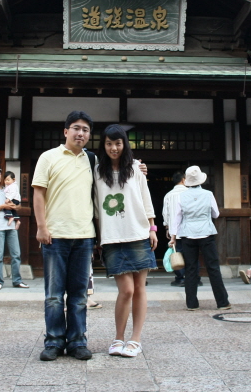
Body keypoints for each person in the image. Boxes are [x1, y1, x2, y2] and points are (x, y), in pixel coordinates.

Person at [32, 111, 97, 361]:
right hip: (55, 235)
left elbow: (114, 178)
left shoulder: (91, 160)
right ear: (66, 131)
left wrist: (139, 169)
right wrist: (41, 226)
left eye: (86, 130)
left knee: (80, 295)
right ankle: (54, 341)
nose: (81, 133)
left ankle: (78, 341)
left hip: (84, 236)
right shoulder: (48, 157)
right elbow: (38, 193)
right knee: (53, 295)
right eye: (76, 128)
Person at [95, 124, 158, 358]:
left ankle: (135, 339)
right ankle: (118, 337)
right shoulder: (96, 170)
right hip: (112, 237)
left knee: (140, 289)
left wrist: (152, 228)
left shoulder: (134, 169)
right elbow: (94, 204)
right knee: (126, 290)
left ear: (125, 144)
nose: (114, 148)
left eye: (118, 143)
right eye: (109, 143)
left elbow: (146, 199)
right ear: (103, 145)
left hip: (139, 233)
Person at [169, 166, 231, 311]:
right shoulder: (208, 194)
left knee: (190, 268)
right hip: (206, 233)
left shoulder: (181, 196)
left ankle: (192, 303)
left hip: (187, 235)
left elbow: (177, 218)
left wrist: (173, 236)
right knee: (213, 268)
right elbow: (216, 214)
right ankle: (222, 302)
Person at [0, 168, 28, 290]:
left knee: (16, 254)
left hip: (12, 225)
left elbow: (18, 205)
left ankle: (17, 280)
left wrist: (16, 206)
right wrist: (3, 206)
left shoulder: (8, 188)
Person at [162, 171, 187, 287]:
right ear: (183, 179)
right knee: (192, 252)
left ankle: (180, 277)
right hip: (189, 229)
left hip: (174, 230)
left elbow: (165, 213)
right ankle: (193, 278)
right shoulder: (189, 193)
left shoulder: (169, 195)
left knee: (177, 252)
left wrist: (167, 227)